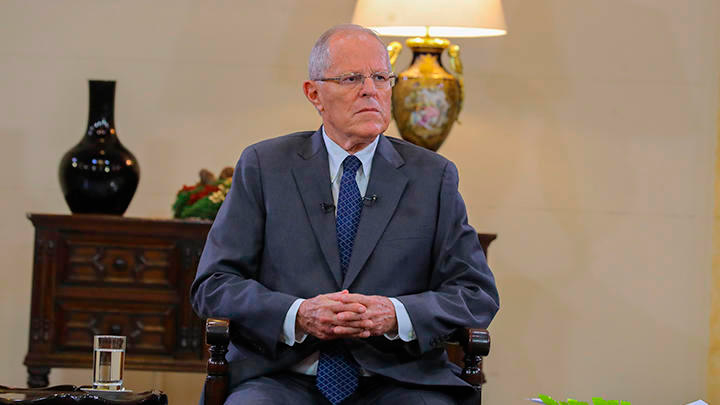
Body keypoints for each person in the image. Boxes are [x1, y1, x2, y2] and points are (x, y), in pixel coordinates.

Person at [190, 24, 499, 405]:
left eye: (381, 77)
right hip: (280, 377)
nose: (370, 90)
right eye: (352, 78)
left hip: (400, 379)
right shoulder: (264, 166)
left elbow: (476, 294)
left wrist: (396, 313)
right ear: (314, 93)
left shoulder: (433, 177)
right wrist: (297, 314)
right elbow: (213, 284)